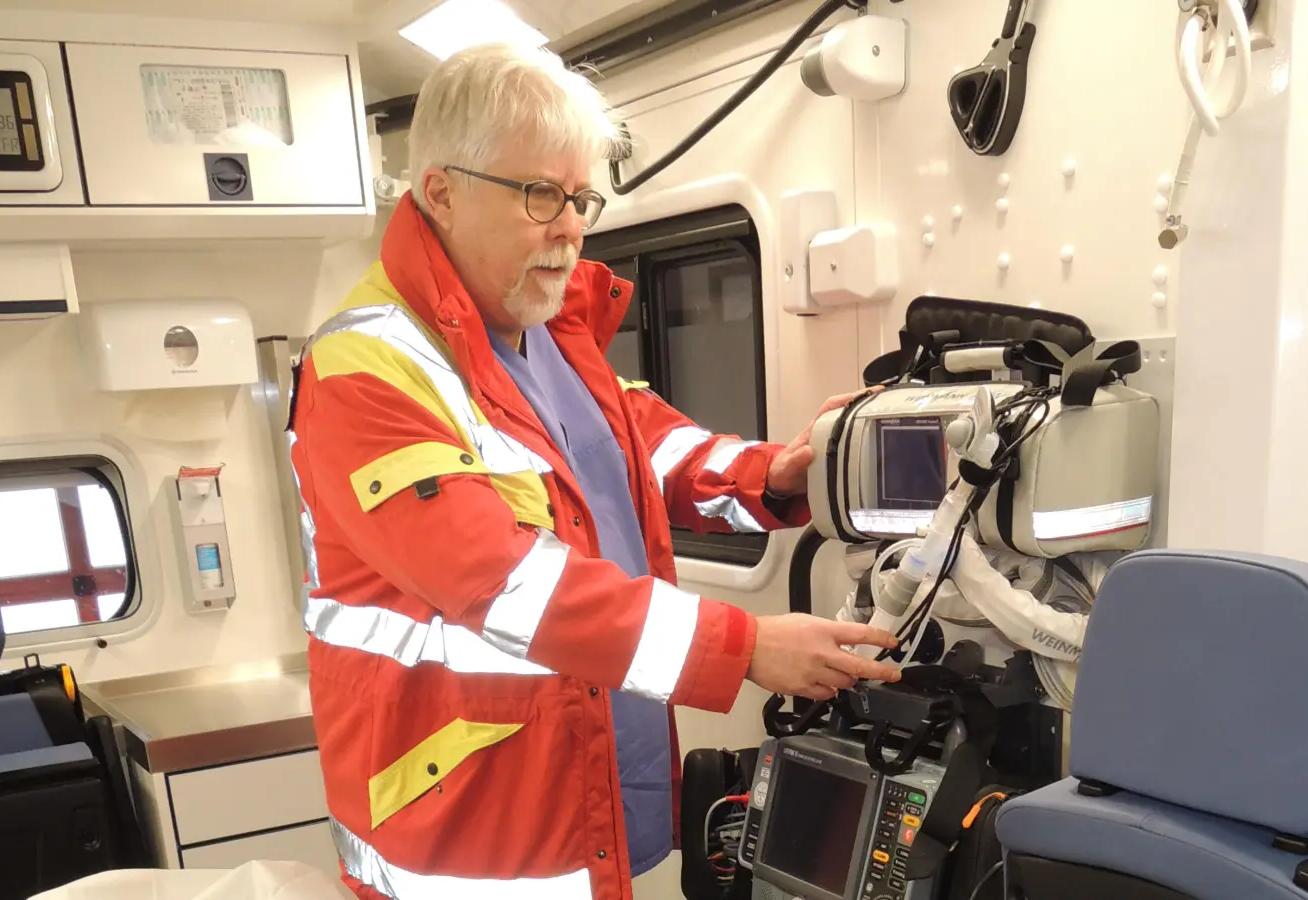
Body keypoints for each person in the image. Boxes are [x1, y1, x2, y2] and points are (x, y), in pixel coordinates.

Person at [287, 41, 902, 900]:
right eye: (540, 194)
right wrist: (747, 645)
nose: (571, 226)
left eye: (580, 198)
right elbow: (500, 582)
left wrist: (779, 475)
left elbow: (645, 452)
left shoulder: (544, 334)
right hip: (473, 832)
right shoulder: (367, 367)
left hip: (596, 783)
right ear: (441, 192)